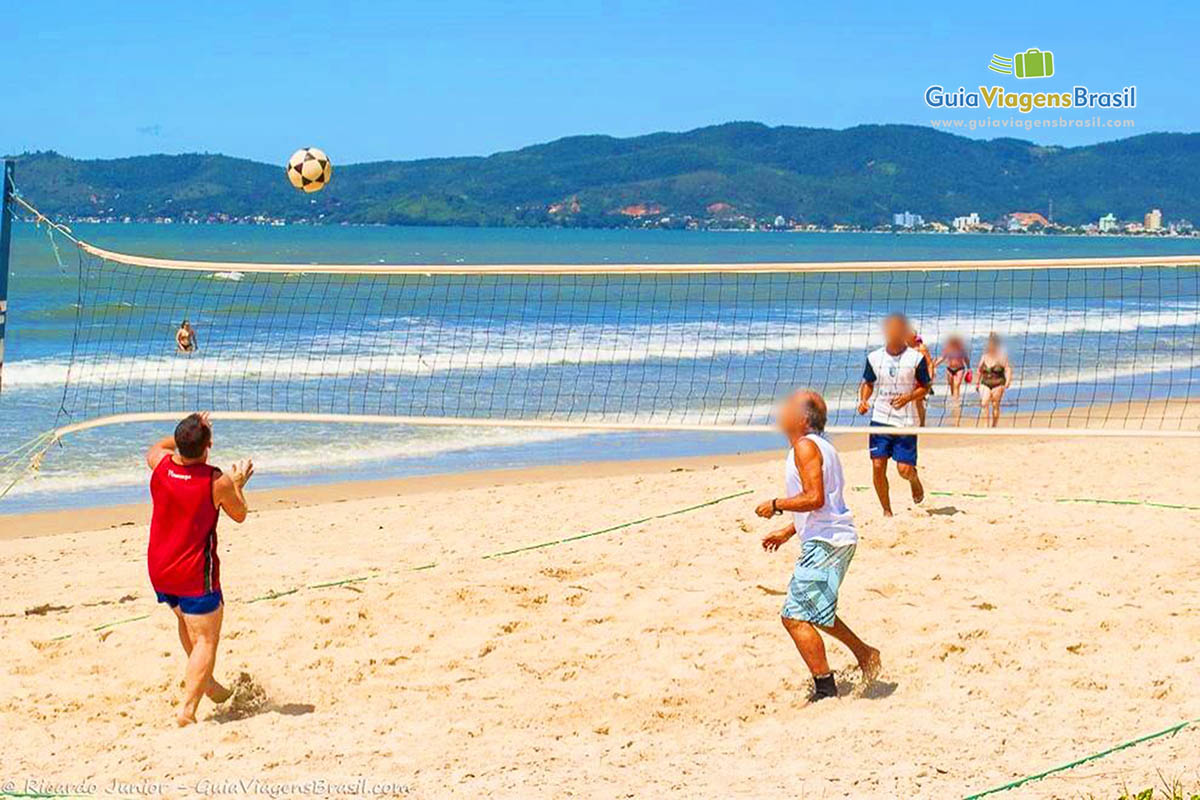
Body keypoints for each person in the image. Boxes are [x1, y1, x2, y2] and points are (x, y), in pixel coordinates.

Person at [755, 389, 881, 701]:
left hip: (828, 542)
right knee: (815, 611)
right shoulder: (819, 445)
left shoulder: (806, 447)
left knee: (795, 616)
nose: (780, 410)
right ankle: (866, 655)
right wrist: (787, 532)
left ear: (801, 418)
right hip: (831, 538)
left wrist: (776, 504)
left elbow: (815, 498)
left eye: (788, 405)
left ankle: (825, 687)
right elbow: (825, 505)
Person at [145, 412, 254, 726]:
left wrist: (188, 428)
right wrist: (238, 484)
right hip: (194, 574)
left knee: (185, 620)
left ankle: (206, 681)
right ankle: (188, 711)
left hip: (160, 569)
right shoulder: (216, 480)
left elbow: (155, 448)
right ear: (208, 447)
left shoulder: (161, 466)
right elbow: (240, 514)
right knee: (206, 639)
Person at [857, 313, 930, 516]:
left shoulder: (916, 358)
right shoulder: (874, 357)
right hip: (880, 418)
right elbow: (868, 384)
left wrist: (907, 398)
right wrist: (864, 400)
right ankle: (887, 511)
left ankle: (915, 480)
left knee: (904, 470)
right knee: (878, 465)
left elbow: (925, 387)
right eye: (890, 329)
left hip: (906, 421)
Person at [976, 332, 1013, 427]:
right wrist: (977, 383)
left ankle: (994, 425)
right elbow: (979, 370)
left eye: (992, 344)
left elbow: (1008, 369)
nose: (990, 346)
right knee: (984, 403)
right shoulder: (984, 356)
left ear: (996, 345)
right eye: (989, 344)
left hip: (998, 383)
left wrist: (1008, 381)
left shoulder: (1002, 357)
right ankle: (986, 425)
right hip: (985, 383)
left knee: (995, 405)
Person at [906, 327, 935, 426]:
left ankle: (922, 424)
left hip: (921, 377)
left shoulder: (921, 348)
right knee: (908, 399)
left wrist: (930, 378)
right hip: (910, 378)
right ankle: (909, 422)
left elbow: (930, 363)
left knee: (918, 401)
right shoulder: (905, 348)